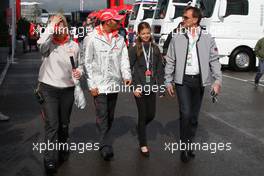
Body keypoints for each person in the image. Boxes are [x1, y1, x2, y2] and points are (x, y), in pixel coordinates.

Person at [164, 6, 222, 163]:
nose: (182, 20)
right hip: (182, 81)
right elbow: (170, 59)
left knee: (194, 117)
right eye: (183, 17)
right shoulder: (177, 37)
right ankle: (183, 148)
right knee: (186, 113)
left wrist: (217, 81)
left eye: (186, 18)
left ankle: (190, 144)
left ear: (195, 19)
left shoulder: (207, 37)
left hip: (199, 81)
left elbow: (214, 60)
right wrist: (168, 80)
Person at [37, 14, 83, 174]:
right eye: (56, 25)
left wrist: (79, 73)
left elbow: (80, 65)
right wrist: (51, 25)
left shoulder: (74, 46)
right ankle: (49, 158)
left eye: (61, 24)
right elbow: (40, 45)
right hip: (48, 89)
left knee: (64, 124)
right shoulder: (48, 44)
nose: (59, 28)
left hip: (67, 90)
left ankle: (63, 148)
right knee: (52, 124)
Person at [84, 9, 132, 161]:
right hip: (98, 84)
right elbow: (87, 62)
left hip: (113, 84)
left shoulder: (120, 39)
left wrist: (126, 75)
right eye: (116, 21)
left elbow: (124, 59)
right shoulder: (92, 38)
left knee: (110, 115)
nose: (119, 23)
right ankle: (105, 145)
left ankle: (104, 137)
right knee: (102, 114)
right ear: (106, 22)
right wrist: (91, 84)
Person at [129, 22, 165, 157]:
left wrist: (161, 88)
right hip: (139, 87)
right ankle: (143, 144)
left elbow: (160, 70)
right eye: (143, 33)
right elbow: (128, 69)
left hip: (152, 87)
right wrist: (133, 87)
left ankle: (140, 127)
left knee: (151, 115)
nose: (145, 36)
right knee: (143, 115)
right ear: (138, 34)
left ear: (150, 33)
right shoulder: (134, 49)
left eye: (147, 33)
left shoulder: (155, 49)